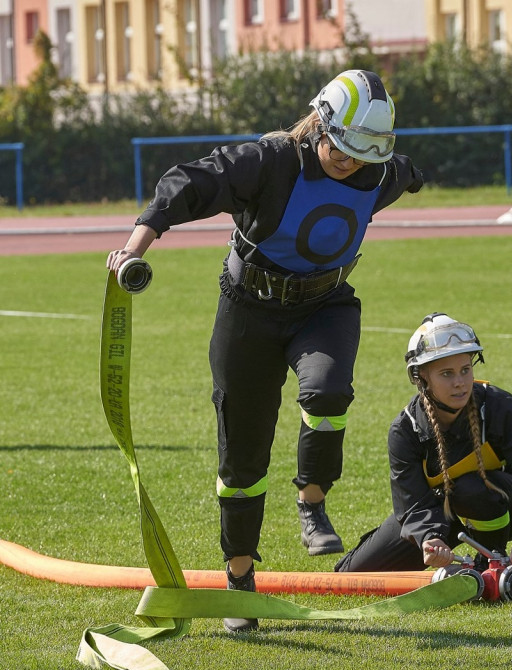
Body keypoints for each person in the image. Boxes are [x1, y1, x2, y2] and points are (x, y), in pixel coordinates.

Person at [106, 70, 423, 632]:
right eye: (340, 147)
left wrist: (412, 175)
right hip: (248, 311)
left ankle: (312, 500)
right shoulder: (268, 161)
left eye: (360, 154)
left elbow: (407, 174)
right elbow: (188, 183)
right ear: (319, 122)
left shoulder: (380, 170)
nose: (349, 163)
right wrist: (133, 248)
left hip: (324, 306)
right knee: (242, 457)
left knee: (327, 392)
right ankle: (239, 580)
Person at [335, 313, 512, 573]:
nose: (459, 382)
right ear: (421, 378)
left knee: (470, 488)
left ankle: (492, 560)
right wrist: (430, 539)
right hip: (440, 513)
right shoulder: (405, 430)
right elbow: (412, 503)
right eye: (446, 373)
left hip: (503, 506)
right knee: (354, 575)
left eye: (465, 370)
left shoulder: (500, 408)